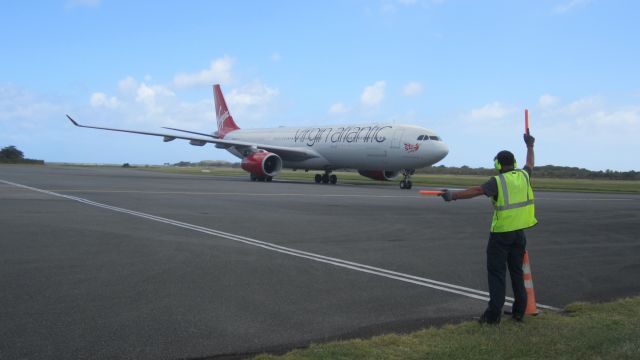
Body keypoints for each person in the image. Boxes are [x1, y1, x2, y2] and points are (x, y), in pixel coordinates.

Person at [440, 132, 537, 324]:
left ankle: (493, 315)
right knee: (517, 272)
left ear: (499, 165)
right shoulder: (524, 176)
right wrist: (530, 146)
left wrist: (453, 196)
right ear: (514, 163)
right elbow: (530, 163)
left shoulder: (498, 181)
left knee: (497, 274)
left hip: (501, 235)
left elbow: (477, 190)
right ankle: (519, 311)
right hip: (520, 234)